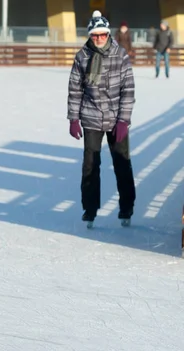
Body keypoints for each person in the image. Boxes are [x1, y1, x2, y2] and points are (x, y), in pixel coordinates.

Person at [67, 11, 136, 228]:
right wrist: (73, 118)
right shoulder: (82, 56)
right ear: (90, 35)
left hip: (116, 118)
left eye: (102, 35)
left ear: (108, 34)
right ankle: (90, 209)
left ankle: (126, 206)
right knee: (90, 165)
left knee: (122, 163)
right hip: (91, 117)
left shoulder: (120, 54)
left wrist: (124, 120)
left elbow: (128, 89)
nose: (99, 38)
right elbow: (75, 89)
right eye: (95, 35)